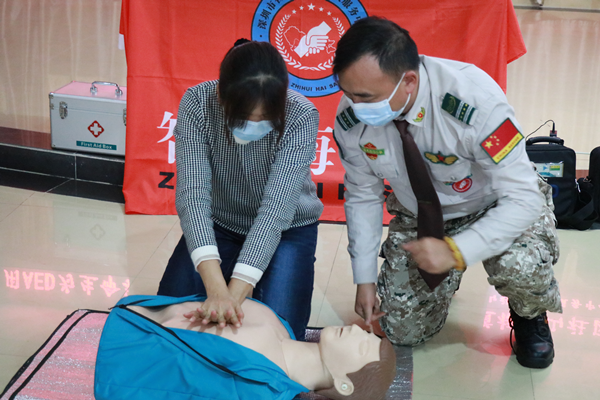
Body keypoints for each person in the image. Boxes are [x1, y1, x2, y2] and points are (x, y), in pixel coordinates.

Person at [331, 17, 562, 369]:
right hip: (421, 214)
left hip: (493, 203)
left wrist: (456, 251)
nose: (355, 106)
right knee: (401, 331)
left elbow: (523, 197)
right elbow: (363, 195)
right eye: (348, 93)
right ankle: (441, 289)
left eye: (365, 97)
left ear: (409, 81)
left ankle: (529, 313)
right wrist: (363, 278)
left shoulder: (473, 101)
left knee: (520, 267)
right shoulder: (352, 117)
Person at [157, 39, 323, 340]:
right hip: (220, 222)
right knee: (169, 318)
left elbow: (275, 212)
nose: (254, 126)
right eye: (244, 118)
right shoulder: (198, 103)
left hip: (288, 229)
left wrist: (230, 299)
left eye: (265, 119)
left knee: (280, 333)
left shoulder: (300, 115)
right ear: (221, 96)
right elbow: (193, 197)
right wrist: (216, 289)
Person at [95, 294, 397, 400]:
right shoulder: (279, 326)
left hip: (118, 347)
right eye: (366, 334)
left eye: (362, 347)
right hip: (132, 315)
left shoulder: (262, 388)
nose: (356, 331)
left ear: (344, 385)